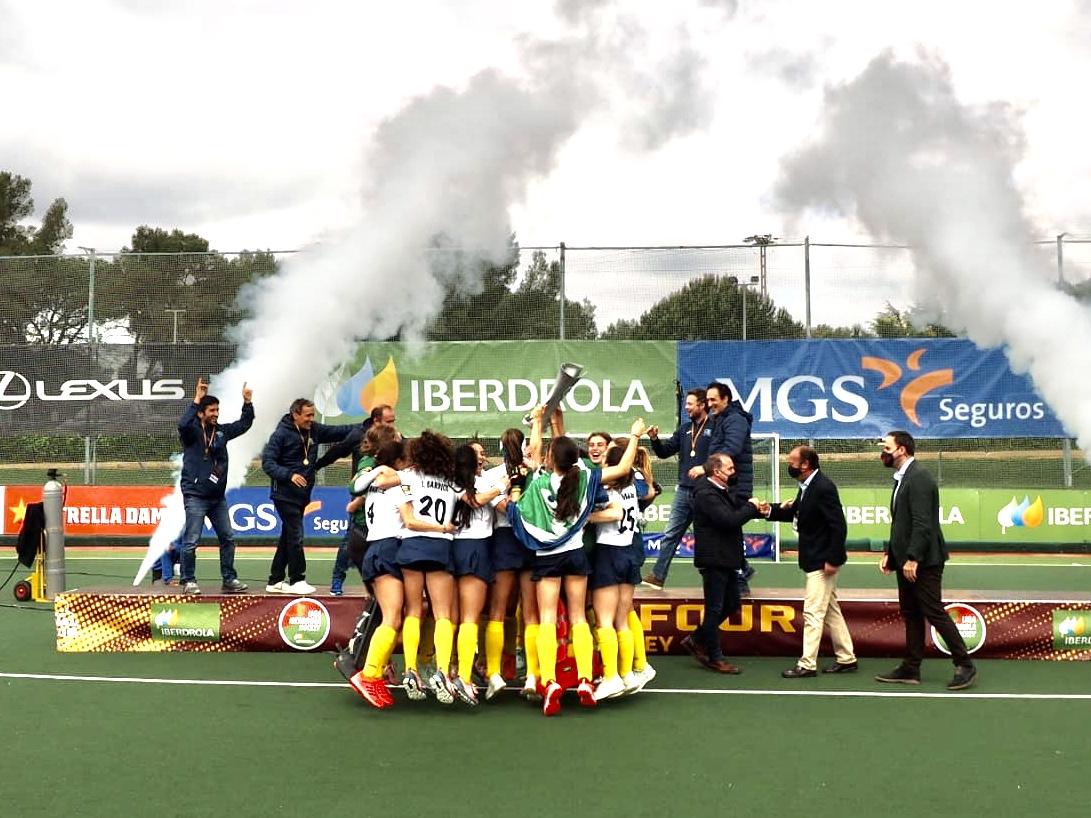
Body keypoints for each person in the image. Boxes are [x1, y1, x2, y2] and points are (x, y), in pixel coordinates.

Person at [507, 406, 647, 716]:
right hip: (574, 555)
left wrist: (539, 422)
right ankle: (585, 679)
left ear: (549, 460)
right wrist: (635, 435)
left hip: (547, 557)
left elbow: (533, 450)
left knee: (546, 618)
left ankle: (550, 680)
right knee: (579, 619)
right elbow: (623, 468)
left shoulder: (540, 482)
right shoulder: (584, 477)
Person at [875, 431, 977, 691]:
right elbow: (901, 522)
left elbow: (923, 523)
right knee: (911, 613)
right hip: (905, 559)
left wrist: (913, 558)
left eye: (886, 447)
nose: (882, 452)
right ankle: (911, 667)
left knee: (933, 611)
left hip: (924, 561)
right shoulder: (902, 478)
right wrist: (891, 553)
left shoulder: (919, 477)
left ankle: (965, 664)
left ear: (902, 450)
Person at [763, 446, 857, 678]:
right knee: (831, 610)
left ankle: (807, 664)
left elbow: (838, 526)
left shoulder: (823, 487)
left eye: (792, 461)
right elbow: (796, 512)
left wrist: (833, 559)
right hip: (814, 558)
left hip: (822, 560)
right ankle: (847, 657)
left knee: (813, 613)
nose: (789, 464)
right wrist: (768, 511)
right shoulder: (807, 486)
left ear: (805, 465)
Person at [261, 398, 362, 595]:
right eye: (307, 415)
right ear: (295, 415)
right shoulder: (280, 435)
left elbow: (339, 431)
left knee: (288, 537)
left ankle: (275, 580)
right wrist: (289, 475)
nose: (311, 419)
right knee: (296, 536)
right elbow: (268, 463)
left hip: (302, 496)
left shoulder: (314, 430)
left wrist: (366, 425)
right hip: (284, 495)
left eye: (312, 415)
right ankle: (298, 579)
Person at [681, 453, 762, 674]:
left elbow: (737, 509)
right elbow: (729, 519)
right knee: (714, 609)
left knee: (732, 604)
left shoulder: (720, 490)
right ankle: (714, 656)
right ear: (716, 472)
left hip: (727, 558)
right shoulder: (706, 494)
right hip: (714, 559)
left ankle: (696, 639)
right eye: (730, 469)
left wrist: (762, 508)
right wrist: (751, 508)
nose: (734, 472)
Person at [177, 377, 254, 595]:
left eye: (217, 410)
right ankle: (188, 580)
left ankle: (229, 579)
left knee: (228, 538)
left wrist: (247, 403)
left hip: (217, 498)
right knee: (191, 541)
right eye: (211, 410)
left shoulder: (221, 432)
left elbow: (244, 424)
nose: (216, 413)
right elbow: (182, 424)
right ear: (201, 413)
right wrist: (197, 399)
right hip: (195, 496)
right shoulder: (191, 433)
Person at [482, 426, 542, 701]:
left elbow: (504, 508)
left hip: (505, 540)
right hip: (529, 541)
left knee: (498, 609)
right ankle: (532, 675)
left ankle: (494, 673)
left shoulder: (492, 476)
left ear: (500, 448)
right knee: (531, 613)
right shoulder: (535, 471)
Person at [449, 441, 508, 705]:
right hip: (474, 549)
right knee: (468, 618)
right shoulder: (476, 484)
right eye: (478, 455)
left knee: (458, 617)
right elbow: (481, 501)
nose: (482, 459)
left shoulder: (451, 481)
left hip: (456, 549)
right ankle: (463, 676)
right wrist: (505, 485)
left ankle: (454, 669)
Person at [642, 388, 712, 589]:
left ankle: (740, 573)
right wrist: (655, 439)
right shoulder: (684, 430)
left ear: (702, 404)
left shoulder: (715, 428)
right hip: (683, 491)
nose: (687, 407)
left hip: (705, 492)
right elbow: (664, 452)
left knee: (710, 538)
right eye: (686, 404)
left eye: (690, 404)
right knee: (670, 534)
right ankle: (658, 576)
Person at [326, 404, 396, 595]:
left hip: (384, 512)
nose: (394, 425)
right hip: (363, 514)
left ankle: (377, 589)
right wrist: (361, 499)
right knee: (351, 545)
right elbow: (356, 486)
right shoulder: (367, 459)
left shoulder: (393, 450)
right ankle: (337, 582)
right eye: (389, 421)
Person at [707, 381, 757, 596]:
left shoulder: (735, 420)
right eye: (707, 400)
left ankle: (740, 576)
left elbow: (732, 449)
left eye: (713, 400)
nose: (710, 404)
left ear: (726, 399)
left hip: (735, 485)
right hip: (725, 484)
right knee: (725, 530)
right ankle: (741, 571)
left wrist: (706, 467)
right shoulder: (718, 419)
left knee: (729, 531)